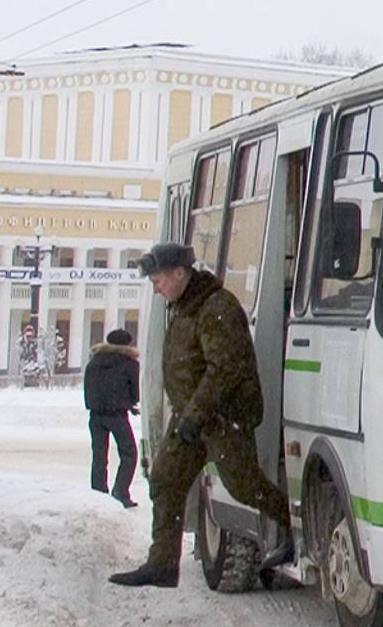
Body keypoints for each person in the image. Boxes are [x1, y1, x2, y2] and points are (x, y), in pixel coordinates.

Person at [109, 242, 292, 588]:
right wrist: (188, 414)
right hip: (193, 414)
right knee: (165, 477)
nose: (156, 287)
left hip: (222, 417)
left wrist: (195, 414)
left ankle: (298, 528)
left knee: (246, 486)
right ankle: (162, 563)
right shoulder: (185, 306)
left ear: (180, 272)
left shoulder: (216, 307)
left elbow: (224, 369)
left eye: (159, 279)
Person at [83, 328, 140, 507]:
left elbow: (88, 389)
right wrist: (128, 403)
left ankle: (98, 493)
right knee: (129, 453)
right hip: (117, 415)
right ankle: (121, 492)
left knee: (99, 456)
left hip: (96, 415)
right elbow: (135, 393)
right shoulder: (130, 363)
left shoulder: (94, 362)